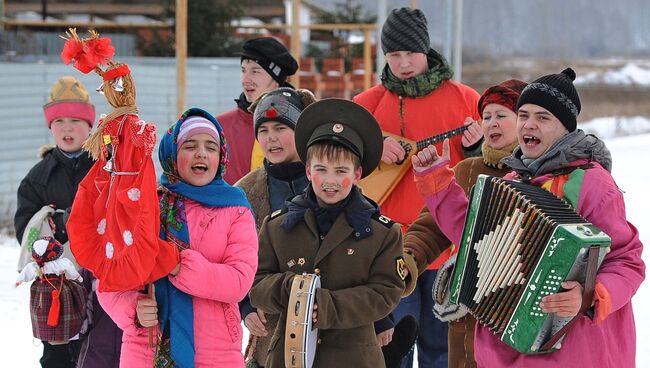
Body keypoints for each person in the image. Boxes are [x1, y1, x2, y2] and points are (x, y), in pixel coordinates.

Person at [411, 68, 645, 367]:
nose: (528, 124)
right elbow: (477, 241)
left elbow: (627, 260)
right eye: (523, 115)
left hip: (576, 348)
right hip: (510, 344)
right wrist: (437, 184)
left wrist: (590, 296)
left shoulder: (592, 183)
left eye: (542, 117)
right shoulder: (513, 180)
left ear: (565, 127)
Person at [237, 89, 416, 367]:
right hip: (288, 357)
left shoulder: (382, 233)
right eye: (321, 170)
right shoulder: (277, 226)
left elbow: (386, 292)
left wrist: (328, 306)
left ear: (356, 175)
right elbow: (256, 283)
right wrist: (293, 290)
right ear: (308, 171)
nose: (329, 181)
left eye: (341, 172)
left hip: (355, 359)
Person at [352, 7, 482, 367]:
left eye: (411, 53)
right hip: (387, 249)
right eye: (395, 55)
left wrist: (474, 146)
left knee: (443, 349)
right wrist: (372, 147)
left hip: (449, 243)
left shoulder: (466, 100)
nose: (404, 62)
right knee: (392, 347)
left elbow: (489, 170)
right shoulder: (365, 107)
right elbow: (336, 168)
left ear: (426, 51)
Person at [97, 108, 258, 367]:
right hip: (145, 350)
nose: (201, 153)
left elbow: (239, 281)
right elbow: (109, 277)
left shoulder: (235, 208)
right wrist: (132, 309)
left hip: (216, 354)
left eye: (211, 147)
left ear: (221, 156)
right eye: (190, 146)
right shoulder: (144, 204)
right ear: (172, 154)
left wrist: (179, 265)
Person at [402, 79, 527, 368]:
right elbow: (431, 226)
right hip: (470, 307)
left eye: (501, 115)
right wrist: (408, 259)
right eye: (486, 117)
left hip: (520, 307)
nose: (491, 123)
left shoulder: (540, 173)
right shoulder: (468, 170)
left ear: (525, 121)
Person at [14, 76, 123, 368]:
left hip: (102, 276)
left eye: (75, 120)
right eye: (59, 121)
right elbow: (25, 225)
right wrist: (49, 243)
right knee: (58, 353)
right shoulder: (38, 177)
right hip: (56, 283)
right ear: (50, 127)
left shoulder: (108, 167)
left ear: (90, 126)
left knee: (101, 347)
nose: (67, 128)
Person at [218, 37, 299, 184]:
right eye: (243, 71)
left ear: (276, 79)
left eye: (255, 71)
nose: (246, 79)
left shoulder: (301, 123)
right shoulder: (220, 126)